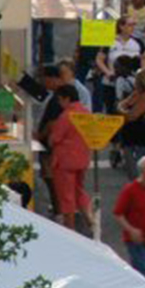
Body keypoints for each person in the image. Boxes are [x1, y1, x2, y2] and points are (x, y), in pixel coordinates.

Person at [45, 84, 94, 230]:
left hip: (65, 162)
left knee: (66, 197)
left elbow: (55, 138)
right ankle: (91, 222)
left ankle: (70, 230)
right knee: (80, 191)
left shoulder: (66, 115)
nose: (60, 103)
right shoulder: (86, 112)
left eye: (60, 100)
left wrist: (50, 138)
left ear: (66, 98)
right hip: (82, 158)